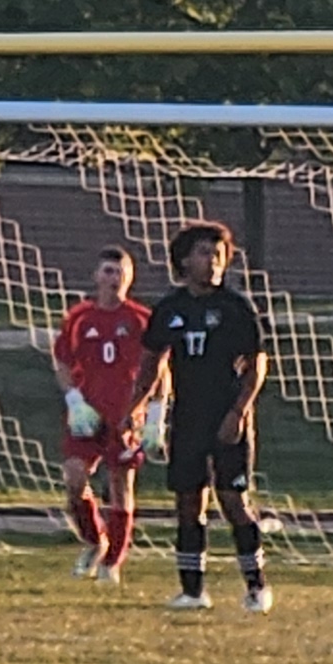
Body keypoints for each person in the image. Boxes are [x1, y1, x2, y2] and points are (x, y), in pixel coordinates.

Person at [145, 220, 271, 613]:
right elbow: (152, 362)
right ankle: (193, 591)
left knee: (232, 499)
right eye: (205, 253)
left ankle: (256, 586)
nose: (213, 262)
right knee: (187, 502)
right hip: (187, 419)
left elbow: (257, 364)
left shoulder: (235, 308)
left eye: (218, 255)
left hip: (227, 418)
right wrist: (142, 411)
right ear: (184, 260)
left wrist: (239, 411)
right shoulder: (170, 309)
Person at [51, 245, 155, 587]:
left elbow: (160, 366)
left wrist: (155, 411)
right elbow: (63, 361)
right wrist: (74, 400)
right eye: (108, 271)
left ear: (131, 277)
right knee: (74, 480)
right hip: (87, 414)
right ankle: (95, 541)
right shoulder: (80, 318)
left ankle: (113, 563)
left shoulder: (141, 319)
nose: (115, 278)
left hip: (125, 416)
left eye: (121, 271)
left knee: (120, 485)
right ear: (97, 277)